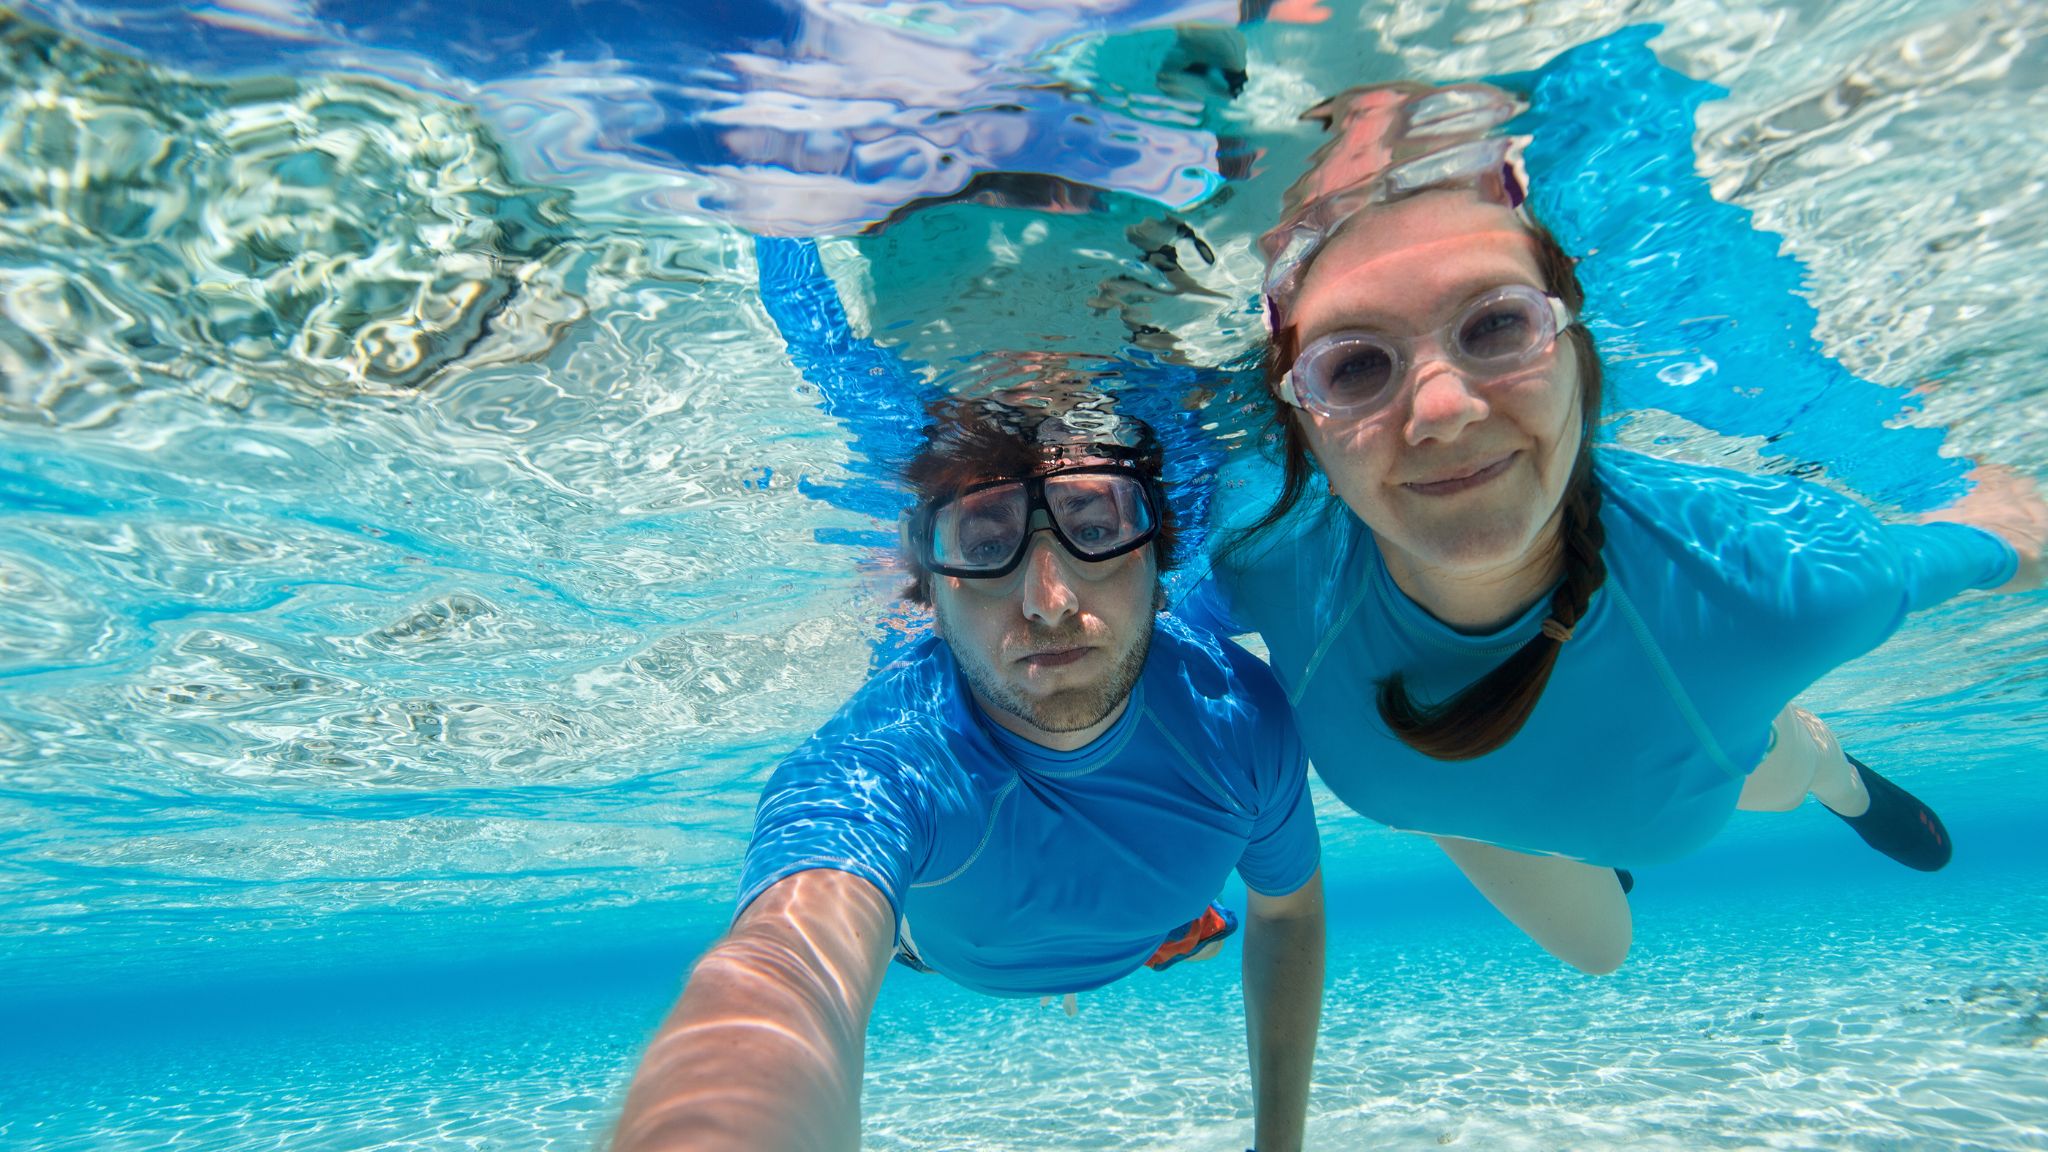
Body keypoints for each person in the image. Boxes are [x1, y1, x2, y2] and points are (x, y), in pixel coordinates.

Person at [1181, 81, 2047, 975]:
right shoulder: (1260, 559)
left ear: (1580, 358)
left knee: (1787, 778)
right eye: (1355, 366)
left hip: (1691, 769)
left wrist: (2000, 516)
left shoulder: (1772, 587)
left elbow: (1998, 544)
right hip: (1465, 809)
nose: (1441, 410)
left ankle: (1848, 786)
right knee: (1600, 953)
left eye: (1496, 326)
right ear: (1303, 423)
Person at [612, 397, 1325, 1152]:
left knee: (1188, 923)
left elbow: (1290, 915)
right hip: (946, 951)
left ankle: (1180, 927)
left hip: (1141, 924)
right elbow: (786, 969)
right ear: (928, 589)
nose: (1050, 603)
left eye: (1094, 530)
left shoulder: (1240, 715)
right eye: (986, 546)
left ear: (1158, 557)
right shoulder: (881, 763)